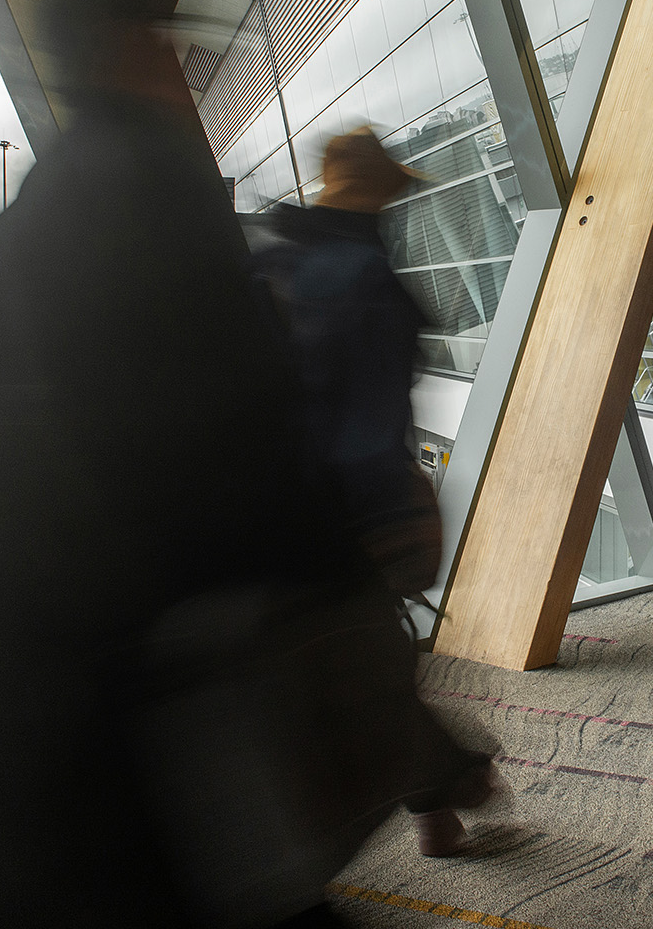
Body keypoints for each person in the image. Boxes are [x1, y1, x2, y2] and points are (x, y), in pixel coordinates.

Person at [0, 0, 436, 928]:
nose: (173, 61)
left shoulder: (14, 234)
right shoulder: (156, 190)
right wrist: (343, 590)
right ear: (127, 41)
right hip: (165, 670)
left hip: (31, 674)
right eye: (161, 38)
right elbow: (241, 429)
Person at [253, 127, 500, 857]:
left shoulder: (274, 262)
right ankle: (451, 788)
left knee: (362, 654)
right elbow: (366, 422)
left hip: (273, 499)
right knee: (369, 660)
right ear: (377, 197)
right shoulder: (364, 275)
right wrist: (396, 514)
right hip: (346, 506)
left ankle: (441, 806)